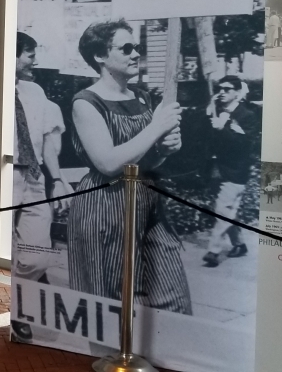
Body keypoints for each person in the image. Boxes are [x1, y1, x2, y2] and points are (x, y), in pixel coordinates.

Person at [68, 20, 190, 314]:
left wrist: (165, 149)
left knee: (171, 298)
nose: (136, 53)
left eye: (136, 47)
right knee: (110, 300)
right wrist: (156, 127)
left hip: (147, 204)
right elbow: (108, 163)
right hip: (105, 209)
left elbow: (146, 159)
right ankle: (110, 358)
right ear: (100, 56)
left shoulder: (142, 97)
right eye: (126, 48)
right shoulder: (86, 103)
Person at [11, 32, 71, 288]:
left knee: (37, 257)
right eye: (30, 55)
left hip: (34, 177)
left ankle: (17, 290)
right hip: (5, 175)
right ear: (12, 55)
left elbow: (47, 139)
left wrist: (57, 179)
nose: (34, 61)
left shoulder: (35, 92)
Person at [203, 75, 261, 267]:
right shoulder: (218, 111)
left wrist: (224, 127)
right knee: (228, 209)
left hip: (236, 171)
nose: (222, 92)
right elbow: (209, 137)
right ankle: (239, 244)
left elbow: (243, 145)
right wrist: (212, 115)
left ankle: (213, 251)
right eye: (220, 88)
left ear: (237, 92)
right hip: (217, 169)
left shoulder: (247, 115)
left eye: (227, 89)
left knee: (222, 209)